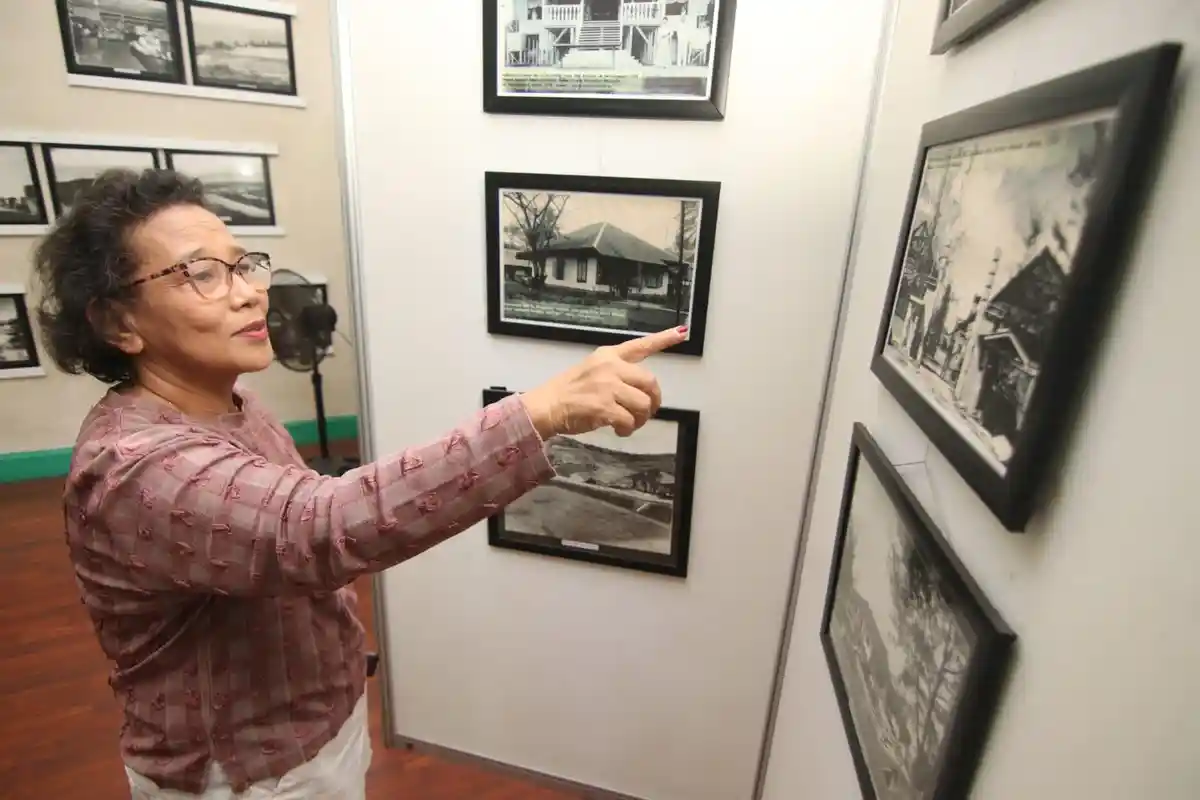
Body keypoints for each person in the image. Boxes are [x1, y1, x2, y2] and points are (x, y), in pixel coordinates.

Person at [32, 168, 687, 799]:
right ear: (118, 323)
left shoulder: (235, 403)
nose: (250, 292)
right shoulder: (135, 467)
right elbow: (317, 526)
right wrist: (538, 413)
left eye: (243, 264)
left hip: (314, 737)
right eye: (202, 274)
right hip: (247, 776)